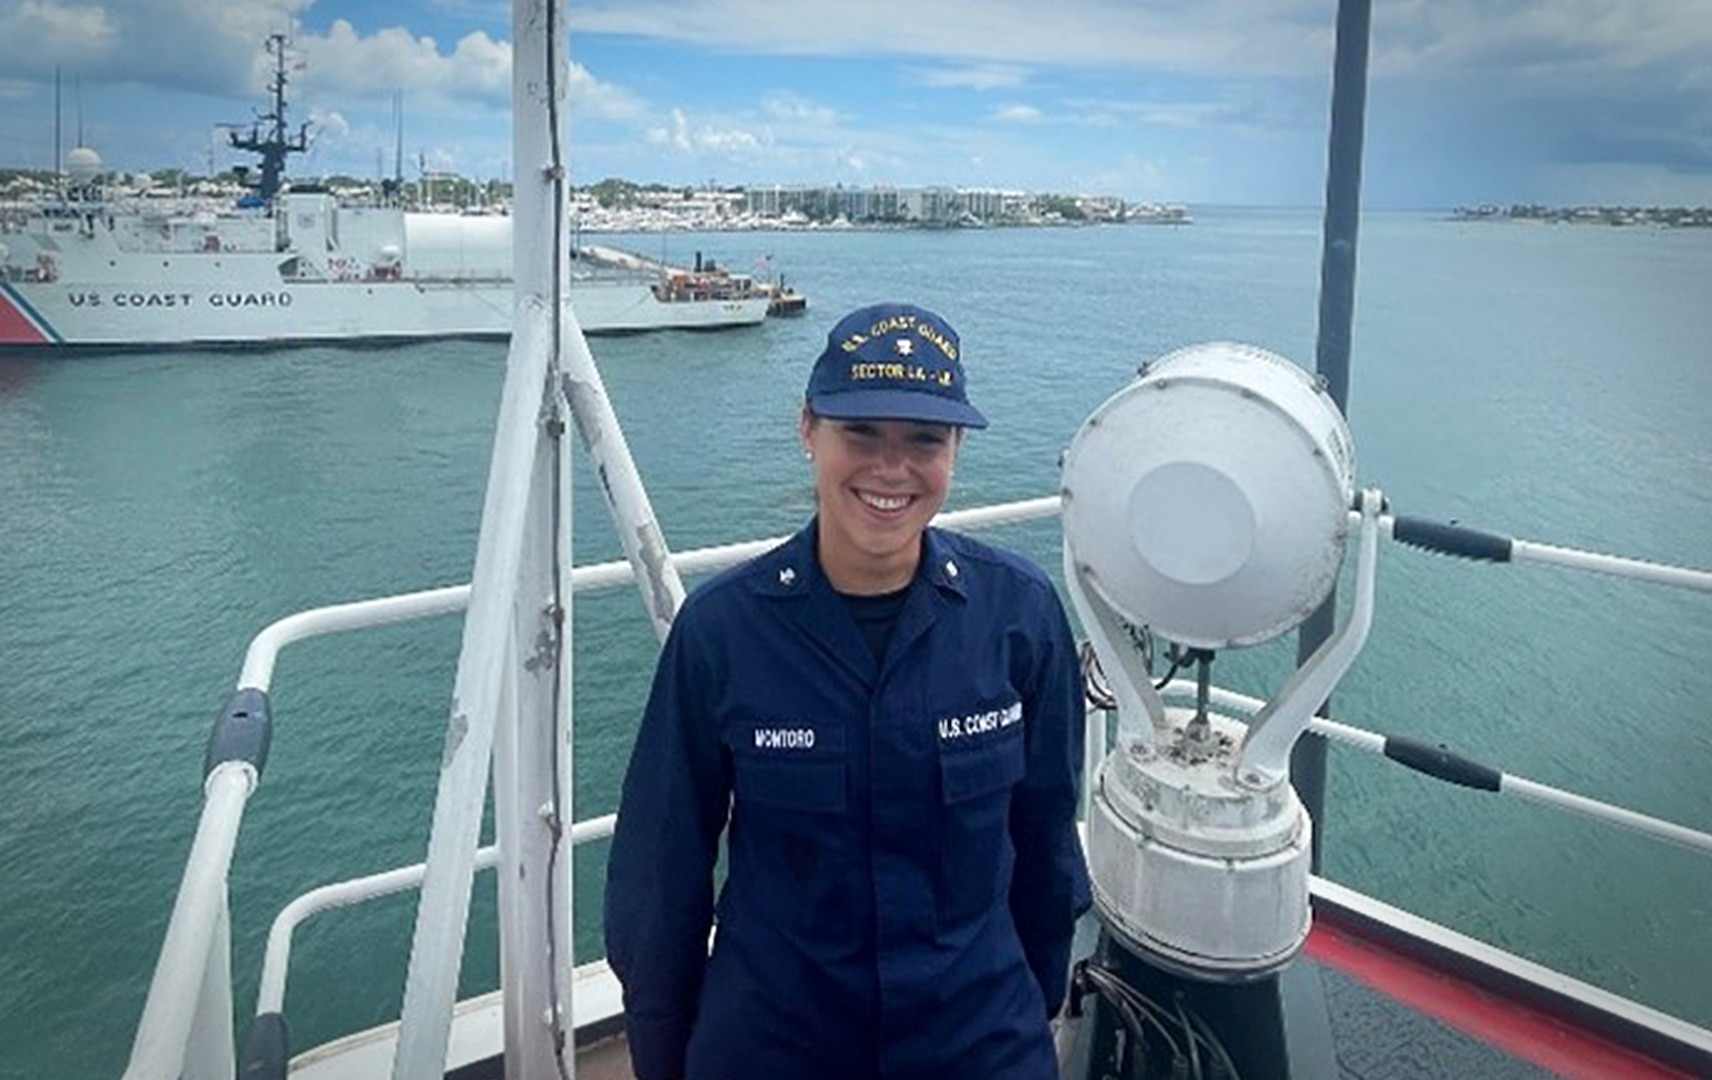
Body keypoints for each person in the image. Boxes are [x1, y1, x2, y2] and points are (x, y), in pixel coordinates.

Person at [604, 302, 1092, 1080]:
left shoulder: (1019, 618)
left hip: (974, 1035)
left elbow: (1047, 850)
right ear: (808, 430)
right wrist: (667, 1056)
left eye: (924, 439)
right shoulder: (723, 632)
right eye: (860, 432)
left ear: (955, 450)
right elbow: (660, 875)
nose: (891, 468)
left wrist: (1023, 1017)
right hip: (775, 1039)